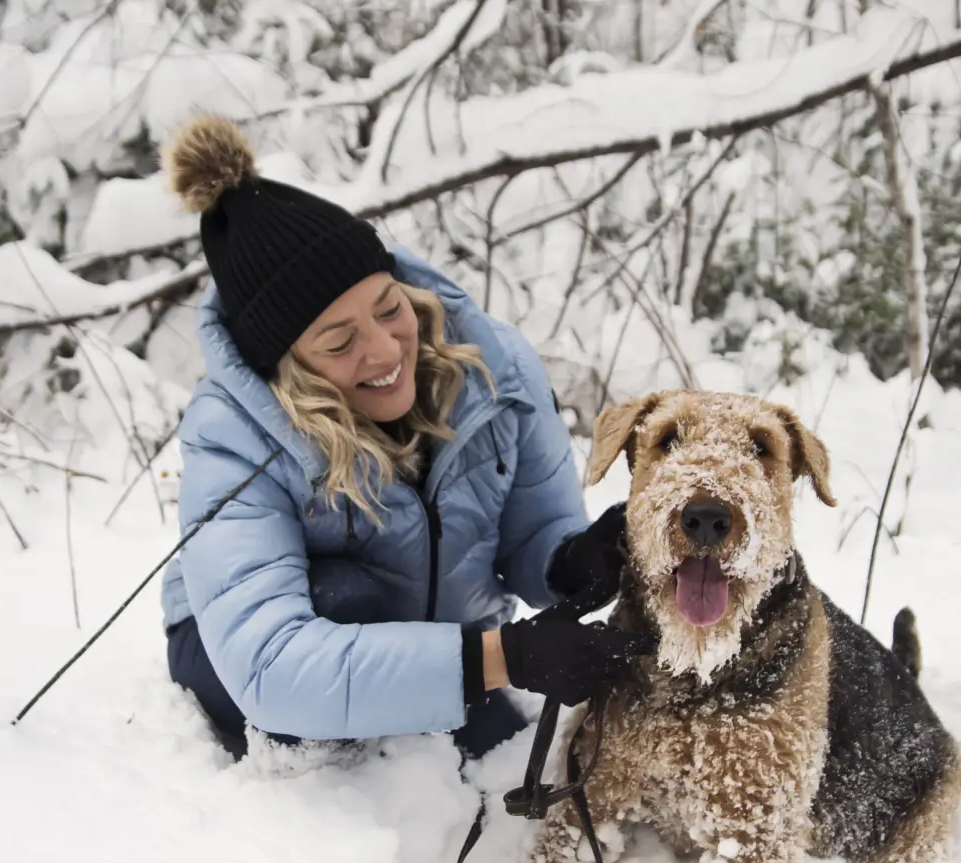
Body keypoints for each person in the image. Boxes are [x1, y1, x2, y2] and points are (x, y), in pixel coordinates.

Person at [157, 117, 652, 760]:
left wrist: (576, 559)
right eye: (339, 342)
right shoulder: (232, 441)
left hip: (432, 634)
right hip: (245, 655)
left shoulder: (494, 370)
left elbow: (534, 531)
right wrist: (501, 658)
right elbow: (271, 662)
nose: (388, 349)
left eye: (391, 308)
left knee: (496, 753)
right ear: (286, 367)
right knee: (354, 604)